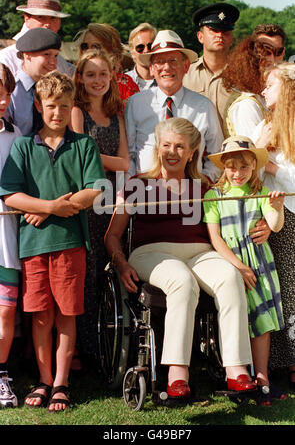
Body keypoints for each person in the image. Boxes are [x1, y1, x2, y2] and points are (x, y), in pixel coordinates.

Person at [105, 117, 256, 399]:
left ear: (191, 153)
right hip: (151, 253)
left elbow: (233, 218)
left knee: (229, 277)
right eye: (166, 145)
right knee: (181, 280)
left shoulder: (205, 186)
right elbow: (112, 235)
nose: (172, 152)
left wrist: (263, 223)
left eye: (179, 147)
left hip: (200, 252)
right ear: (157, 148)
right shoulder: (138, 184)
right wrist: (121, 263)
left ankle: (236, 369)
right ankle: (177, 374)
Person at [0, 71, 105, 412]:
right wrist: (48, 206)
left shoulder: (84, 145)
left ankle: (61, 383)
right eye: (50, 106)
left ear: (71, 105)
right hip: (32, 246)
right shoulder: (22, 146)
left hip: (70, 242)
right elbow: (10, 195)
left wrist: (56, 210)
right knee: (41, 317)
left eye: (63, 106)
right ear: (38, 106)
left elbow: (95, 190)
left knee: (66, 316)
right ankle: (43, 380)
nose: (57, 113)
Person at [203, 136, 286, 404]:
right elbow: (216, 239)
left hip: (258, 262)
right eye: (231, 167)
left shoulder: (258, 192)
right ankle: (240, 375)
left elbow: (275, 225)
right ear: (223, 167)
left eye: (244, 168)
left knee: (261, 321)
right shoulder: (213, 196)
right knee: (239, 319)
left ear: (253, 167)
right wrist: (238, 266)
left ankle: (262, 378)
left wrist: (276, 208)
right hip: (231, 262)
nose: (237, 173)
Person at [71, 48, 129, 364]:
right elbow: (80, 159)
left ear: (112, 77)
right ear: (80, 77)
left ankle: (106, 344)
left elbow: (124, 162)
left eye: (103, 74)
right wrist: (97, 158)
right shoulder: (77, 111)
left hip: (110, 198)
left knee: (107, 266)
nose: (98, 80)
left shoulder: (116, 114)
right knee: (86, 272)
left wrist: (94, 156)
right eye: (91, 74)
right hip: (87, 197)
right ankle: (83, 348)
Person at [125, 29, 224, 183]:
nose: (166, 67)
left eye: (173, 60)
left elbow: (216, 155)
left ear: (186, 66)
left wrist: (202, 185)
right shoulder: (135, 104)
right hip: (146, 194)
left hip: (191, 197)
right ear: (151, 68)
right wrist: (133, 188)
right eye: (159, 62)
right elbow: (129, 155)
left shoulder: (204, 107)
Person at [253, 62, 295, 389]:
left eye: (270, 84)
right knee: (279, 290)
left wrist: (269, 163)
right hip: (271, 215)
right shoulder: (265, 127)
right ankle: (280, 363)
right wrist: (260, 155)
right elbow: (247, 170)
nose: (263, 89)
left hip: (291, 212)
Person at [0, 64, 22, 408]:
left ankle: (2, 374)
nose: (1, 100)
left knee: (4, 312)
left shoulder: (15, 134)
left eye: (5, 92)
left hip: (7, 238)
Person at [183, 2, 239, 136]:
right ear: (200, 37)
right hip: (195, 152)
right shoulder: (184, 74)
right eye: (214, 30)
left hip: (232, 152)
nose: (219, 35)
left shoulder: (243, 76)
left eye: (225, 32)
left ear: (231, 39)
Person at [0, 0, 74, 78]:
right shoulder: (6, 59)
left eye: (53, 18)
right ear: (27, 18)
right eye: (41, 17)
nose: (47, 24)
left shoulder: (62, 64)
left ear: (59, 23)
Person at [7, 27, 61, 136]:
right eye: (46, 54)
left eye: (56, 55)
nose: (53, 62)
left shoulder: (57, 88)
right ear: (27, 56)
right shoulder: (11, 91)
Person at [222, 35, 277, 138]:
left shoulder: (258, 99)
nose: (272, 71)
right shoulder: (247, 105)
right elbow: (253, 149)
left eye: (272, 65)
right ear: (252, 68)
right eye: (268, 65)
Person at [76, 23, 139, 106]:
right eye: (85, 46)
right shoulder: (74, 82)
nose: (89, 51)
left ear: (112, 51)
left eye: (96, 47)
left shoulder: (126, 86)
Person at [126, 22, 157, 90]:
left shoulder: (166, 81)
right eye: (140, 47)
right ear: (132, 53)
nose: (146, 51)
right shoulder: (122, 82)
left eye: (150, 46)